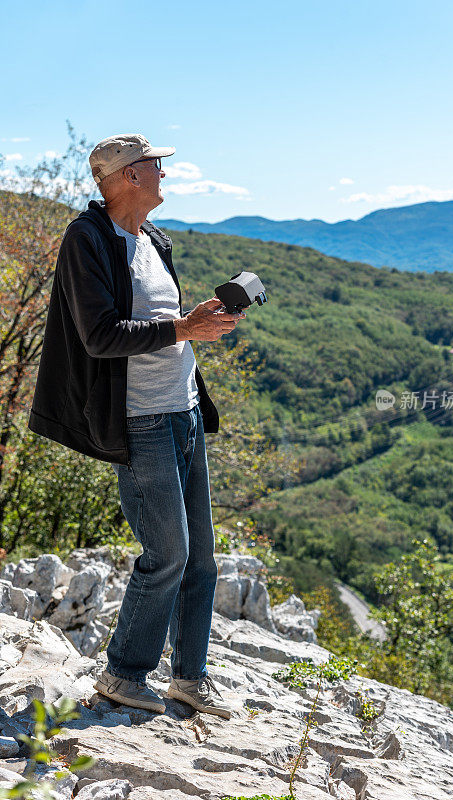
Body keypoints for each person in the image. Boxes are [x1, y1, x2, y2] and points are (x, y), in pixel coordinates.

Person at [28, 133, 246, 719]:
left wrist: (194, 320)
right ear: (126, 176)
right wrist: (183, 330)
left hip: (184, 412)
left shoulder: (154, 240)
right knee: (167, 554)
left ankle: (190, 677)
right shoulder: (88, 240)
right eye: (155, 167)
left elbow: (156, 319)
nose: (163, 176)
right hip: (141, 422)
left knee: (202, 558)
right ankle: (124, 672)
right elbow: (100, 336)